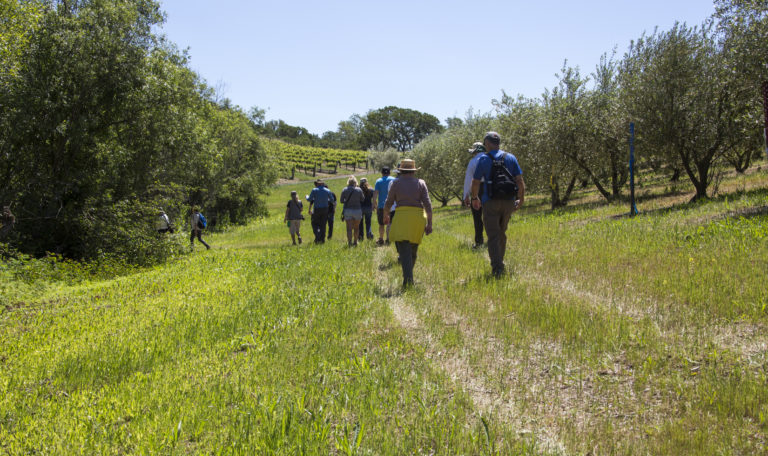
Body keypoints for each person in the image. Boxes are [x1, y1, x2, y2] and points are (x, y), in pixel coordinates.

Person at [470, 131, 525, 278]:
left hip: (490, 202)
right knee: (501, 233)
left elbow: (475, 182)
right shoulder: (511, 157)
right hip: (509, 202)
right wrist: (521, 199)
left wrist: (474, 198)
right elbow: (519, 181)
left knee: (493, 235)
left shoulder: (483, 159)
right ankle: (500, 262)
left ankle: (497, 268)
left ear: (487, 143)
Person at [383, 159, 433, 288]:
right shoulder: (421, 183)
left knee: (404, 249)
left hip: (401, 217)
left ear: (401, 170)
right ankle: (409, 277)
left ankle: (408, 279)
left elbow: (388, 202)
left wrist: (386, 215)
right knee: (413, 249)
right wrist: (429, 223)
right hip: (417, 218)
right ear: (414, 171)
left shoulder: (396, 183)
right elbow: (427, 204)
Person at [463, 141, 486, 248]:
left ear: (475, 151)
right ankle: (494, 240)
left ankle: (479, 241)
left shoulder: (473, 161)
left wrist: (466, 195)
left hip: (477, 189)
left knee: (477, 217)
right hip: (490, 189)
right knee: (491, 215)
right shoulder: (490, 159)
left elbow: (468, 180)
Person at [373, 167, 396, 245]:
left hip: (381, 206)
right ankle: (388, 239)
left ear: (382, 173)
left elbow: (375, 194)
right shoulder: (394, 180)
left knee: (381, 224)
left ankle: (381, 239)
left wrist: (374, 204)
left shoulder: (378, 181)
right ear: (389, 172)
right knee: (390, 223)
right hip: (392, 206)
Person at [340, 175, 364, 246]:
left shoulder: (344, 189)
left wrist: (347, 200)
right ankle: (355, 242)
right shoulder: (359, 190)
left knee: (349, 228)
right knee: (356, 228)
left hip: (348, 210)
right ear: (355, 182)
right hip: (357, 210)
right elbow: (362, 199)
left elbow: (341, 200)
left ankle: (349, 242)